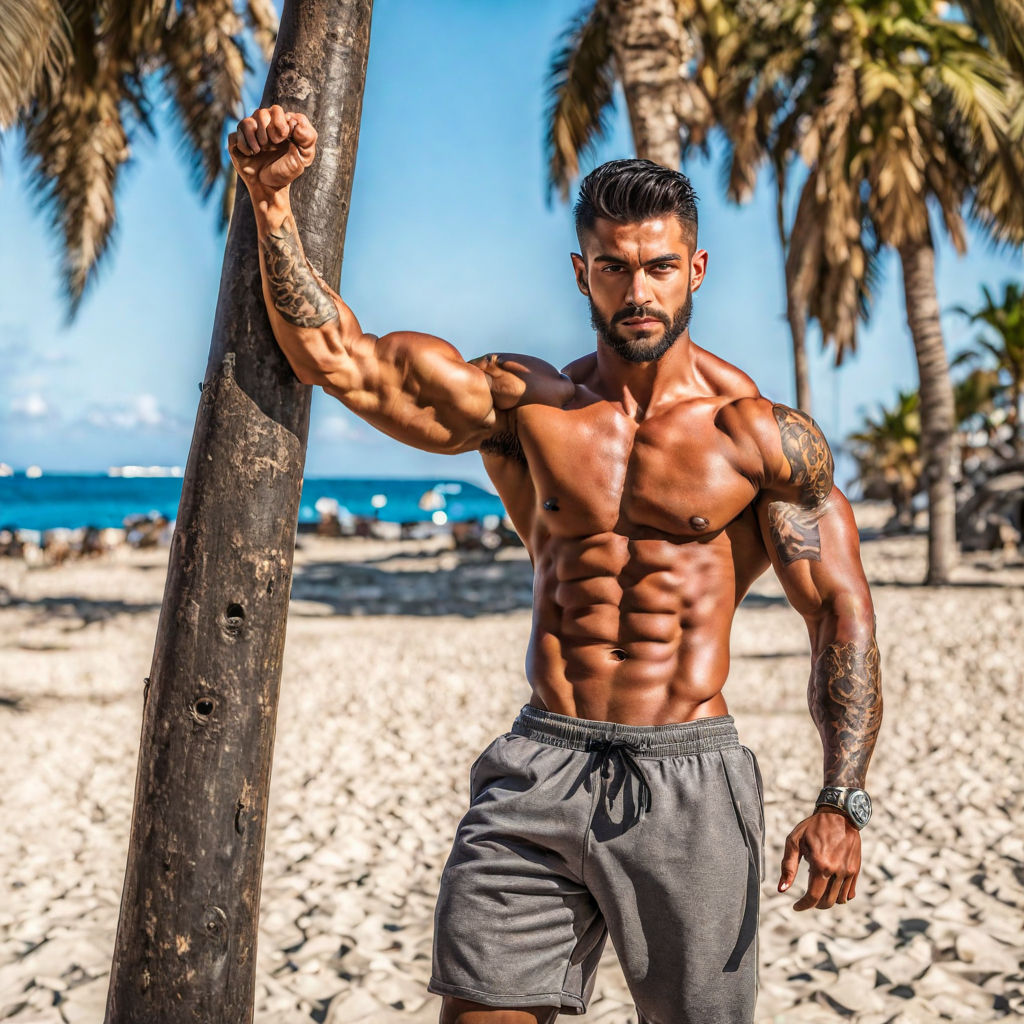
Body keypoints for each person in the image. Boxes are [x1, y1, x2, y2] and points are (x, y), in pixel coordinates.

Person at [228, 106, 882, 1024]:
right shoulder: (530, 406)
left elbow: (841, 615)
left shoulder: (760, 438)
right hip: (541, 764)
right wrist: (271, 200)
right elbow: (346, 361)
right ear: (583, 273)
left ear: (695, 270)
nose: (638, 290)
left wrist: (841, 798)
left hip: (687, 776)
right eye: (613, 268)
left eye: (659, 267)